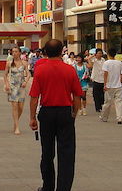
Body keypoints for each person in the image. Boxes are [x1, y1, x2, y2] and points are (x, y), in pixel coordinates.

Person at [29, 39, 82, 191]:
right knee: (67, 153)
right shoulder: (70, 70)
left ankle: (48, 186)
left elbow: (34, 97)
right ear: (61, 52)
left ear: (45, 51)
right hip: (65, 112)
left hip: (47, 113)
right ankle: (63, 188)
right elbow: (77, 96)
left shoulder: (40, 70)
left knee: (47, 152)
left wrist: (32, 117)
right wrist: (74, 113)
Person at [3, 46, 30, 134]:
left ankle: (16, 122)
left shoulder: (24, 63)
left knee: (21, 107)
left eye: (16, 51)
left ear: (19, 53)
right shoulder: (9, 63)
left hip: (21, 86)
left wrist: (25, 81)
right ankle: (17, 127)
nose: (14, 53)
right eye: (13, 51)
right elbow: (5, 74)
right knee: (14, 106)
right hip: (12, 86)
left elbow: (28, 74)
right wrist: (7, 84)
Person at [101, 48, 122, 124]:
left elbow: (105, 74)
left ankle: (104, 117)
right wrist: (121, 81)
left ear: (108, 54)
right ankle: (119, 118)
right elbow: (121, 74)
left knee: (107, 102)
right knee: (119, 102)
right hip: (118, 85)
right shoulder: (119, 63)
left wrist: (105, 84)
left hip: (109, 85)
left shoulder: (106, 63)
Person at [87, 49, 105, 114]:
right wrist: (93, 56)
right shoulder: (94, 59)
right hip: (96, 79)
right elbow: (88, 61)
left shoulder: (103, 60)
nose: (100, 54)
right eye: (99, 53)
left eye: (101, 53)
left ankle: (101, 105)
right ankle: (97, 107)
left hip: (102, 79)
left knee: (102, 94)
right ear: (96, 54)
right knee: (96, 95)